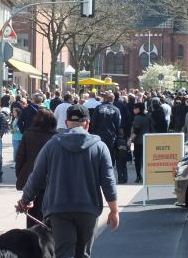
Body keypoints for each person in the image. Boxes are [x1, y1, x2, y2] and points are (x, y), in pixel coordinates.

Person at [16, 104, 119, 258]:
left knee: (63, 253)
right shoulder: (100, 147)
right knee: (83, 254)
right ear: (88, 124)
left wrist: (26, 199)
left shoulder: (51, 145)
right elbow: (108, 181)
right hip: (88, 209)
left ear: (66, 123)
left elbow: (36, 176)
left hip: (58, 209)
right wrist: (114, 210)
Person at [15, 109, 58, 227]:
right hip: (50, 178)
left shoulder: (28, 134)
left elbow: (20, 157)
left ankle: (32, 239)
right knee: (47, 214)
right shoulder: (56, 137)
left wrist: (20, 174)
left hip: (30, 175)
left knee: (32, 214)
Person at [89, 92, 122, 165]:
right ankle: (109, 169)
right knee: (110, 155)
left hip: (98, 136)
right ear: (113, 99)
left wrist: (93, 132)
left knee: (98, 154)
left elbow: (93, 122)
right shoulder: (116, 110)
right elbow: (118, 124)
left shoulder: (98, 108)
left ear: (104, 99)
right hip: (111, 136)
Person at [130, 103, 152, 184]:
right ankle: (147, 176)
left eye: (135, 108)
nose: (133, 109)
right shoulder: (148, 116)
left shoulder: (137, 118)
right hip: (147, 141)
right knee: (146, 160)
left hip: (138, 142)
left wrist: (130, 139)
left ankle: (138, 176)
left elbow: (136, 130)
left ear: (138, 109)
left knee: (138, 160)